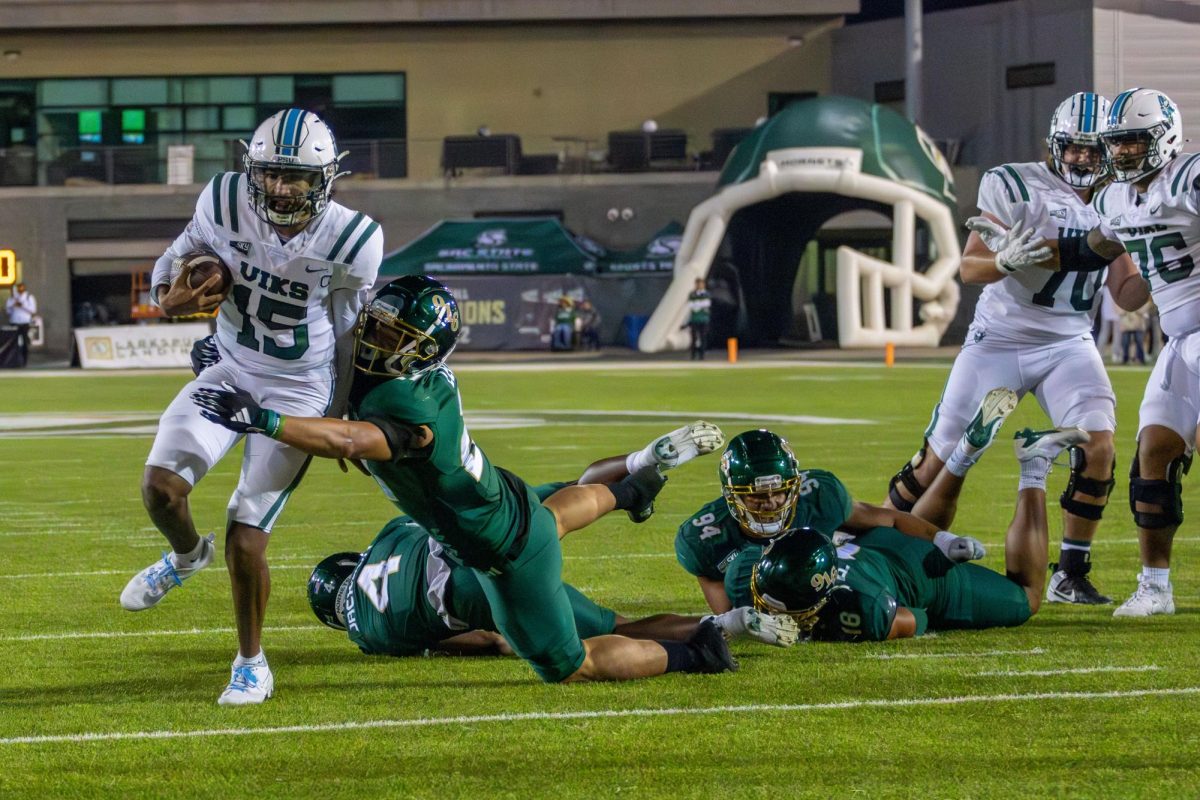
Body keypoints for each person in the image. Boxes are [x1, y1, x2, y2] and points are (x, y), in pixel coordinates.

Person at [194, 275, 742, 683]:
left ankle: (695, 654)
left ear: (422, 349)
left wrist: (262, 418)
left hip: (499, 548)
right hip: (499, 503)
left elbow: (349, 440)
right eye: (378, 325)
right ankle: (631, 485)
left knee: (573, 662)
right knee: (547, 517)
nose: (378, 338)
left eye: (393, 333)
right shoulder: (415, 380)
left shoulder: (408, 408)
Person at [119, 108, 382, 705]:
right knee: (160, 487)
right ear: (250, 168)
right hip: (232, 365)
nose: (281, 189)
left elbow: (347, 331)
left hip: (299, 387)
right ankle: (187, 556)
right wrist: (167, 297)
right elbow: (175, 255)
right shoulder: (223, 198)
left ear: (326, 178)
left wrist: (334, 417)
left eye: (295, 178)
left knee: (247, 532)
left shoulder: (354, 237)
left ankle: (251, 663)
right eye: (270, 175)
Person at [883, 92, 1150, 606]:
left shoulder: (1120, 197)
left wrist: (1165, 263)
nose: (1083, 160)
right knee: (936, 463)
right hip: (1000, 338)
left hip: (1070, 340)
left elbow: (1126, 291)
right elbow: (969, 268)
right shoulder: (1014, 182)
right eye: (1073, 149)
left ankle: (1070, 573)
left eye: (1094, 150)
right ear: (1056, 144)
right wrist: (1002, 262)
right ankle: (882, 546)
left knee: (1099, 447)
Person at [307, 446, 800, 660]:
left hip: (462, 590)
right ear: (351, 560)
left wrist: (507, 631)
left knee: (613, 628)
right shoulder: (386, 538)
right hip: (459, 534)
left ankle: (730, 624)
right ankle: (634, 469)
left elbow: (484, 642)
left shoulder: (365, 634)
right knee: (558, 500)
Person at [741, 426, 1090, 641]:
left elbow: (916, 618)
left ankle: (1034, 463)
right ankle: (964, 455)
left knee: (1027, 599)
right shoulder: (769, 564)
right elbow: (885, 519)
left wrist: (939, 546)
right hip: (870, 547)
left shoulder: (862, 610)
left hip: (917, 573)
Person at [675, 428, 986, 615]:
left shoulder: (817, 495)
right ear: (732, 495)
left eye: (779, 492)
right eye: (755, 496)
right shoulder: (704, 537)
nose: (769, 503)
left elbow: (888, 519)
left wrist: (942, 540)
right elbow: (731, 614)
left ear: (794, 487)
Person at [1091, 87, 1200, 616]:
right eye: (1118, 142)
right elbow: (1127, 288)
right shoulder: (1115, 199)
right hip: (1180, 342)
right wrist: (1039, 253)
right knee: (1153, 454)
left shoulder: (1190, 177)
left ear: (1163, 139)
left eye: (1134, 141)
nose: (1124, 152)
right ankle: (1155, 587)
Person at [5, 281, 36, 366]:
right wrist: (13, 305)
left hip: (25, 322)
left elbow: (33, 311)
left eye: (21, 287)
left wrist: (22, 305)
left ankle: (24, 361)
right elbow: (8, 311)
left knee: (25, 342)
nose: (20, 289)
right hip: (14, 322)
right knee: (13, 343)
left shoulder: (29, 297)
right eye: (18, 287)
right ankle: (13, 361)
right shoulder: (12, 299)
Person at [685, 278, 712, 360]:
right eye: (698, 284)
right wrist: (699, 305)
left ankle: (702, 356)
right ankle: (693, 355)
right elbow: (691, 305)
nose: (699, 285)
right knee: (694, 338)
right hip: (694, 319)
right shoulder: (692, 294)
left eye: (701, 284)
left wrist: (697, 304)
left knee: (703, 337)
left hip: (704, 319)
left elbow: (706, 304)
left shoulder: (707, 294)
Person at [1095, 285, 1122, 363]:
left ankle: (1110, 354)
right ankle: (1112, 354)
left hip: (1111, 310)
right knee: (1113, 333)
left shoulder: (1105, 286)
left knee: (1110, 333)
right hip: (1111, 310)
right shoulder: (1110, 286)